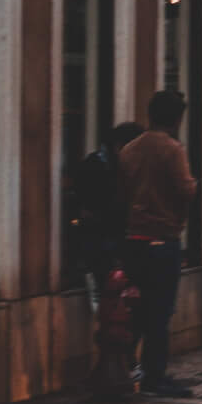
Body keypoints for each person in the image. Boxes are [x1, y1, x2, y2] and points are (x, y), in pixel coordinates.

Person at [117, 92, 198, 397]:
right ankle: (155, 375)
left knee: (135, 309)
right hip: (163, 240)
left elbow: (123, 192)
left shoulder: (129, 150)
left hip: (134, 238)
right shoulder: (172, 150)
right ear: (177, 119)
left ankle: (127, 365)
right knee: (160, 312)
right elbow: (185, 190)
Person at [69, 120, 144, 289]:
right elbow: (95, 209)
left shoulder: (116, 166)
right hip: (99, 242)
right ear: (119, 147)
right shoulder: (95, 167)